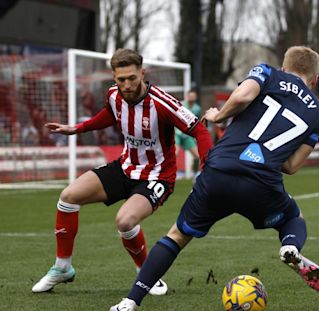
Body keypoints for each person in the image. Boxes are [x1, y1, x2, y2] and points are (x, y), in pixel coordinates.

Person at [110, 46, 319, 311]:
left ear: (285, 68)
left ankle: (130, 302)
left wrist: (219, 116)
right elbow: (292, 166)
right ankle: (290, 246)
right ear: (315, 79)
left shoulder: (269, 73)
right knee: (293, 217)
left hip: (220, 172)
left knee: (177, 236)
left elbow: (244, 95)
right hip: (261, 183)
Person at [31, 49, 213, 295]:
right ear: (113, 78)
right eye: (121, 79)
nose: (127, 85)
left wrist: (207, 168)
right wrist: (77, 129)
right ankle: (63, 267)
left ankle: (146, 274)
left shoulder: (162, 103)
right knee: (68, 197)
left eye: (132, 78)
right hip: (125, 167)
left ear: (142, 73)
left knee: (125, 220)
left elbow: (199, 131)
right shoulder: (114, 95)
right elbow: (109, 115)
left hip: (156, 176)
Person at [175, 89, 202, 178]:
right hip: (177, 133)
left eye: (193, 96)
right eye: (190, 96)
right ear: (187, 96)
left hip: (187, 135)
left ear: (196, 97)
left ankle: (195, 174)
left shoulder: (197, 108)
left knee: (197, 156)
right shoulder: (181, 105)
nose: (192, 97)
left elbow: (197, 121)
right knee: (175, 153)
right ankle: (171, 173)